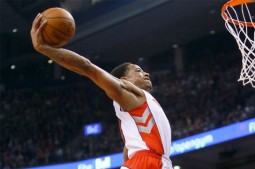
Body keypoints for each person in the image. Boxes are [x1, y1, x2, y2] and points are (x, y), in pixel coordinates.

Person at [30, 13, 173, 169]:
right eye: (138, 70)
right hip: (148, 163)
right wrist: (45, 49)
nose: (145, 73)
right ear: (124, 80)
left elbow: (128, 149)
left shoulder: (137, 109)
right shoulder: (132, 93)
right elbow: (87, 67)